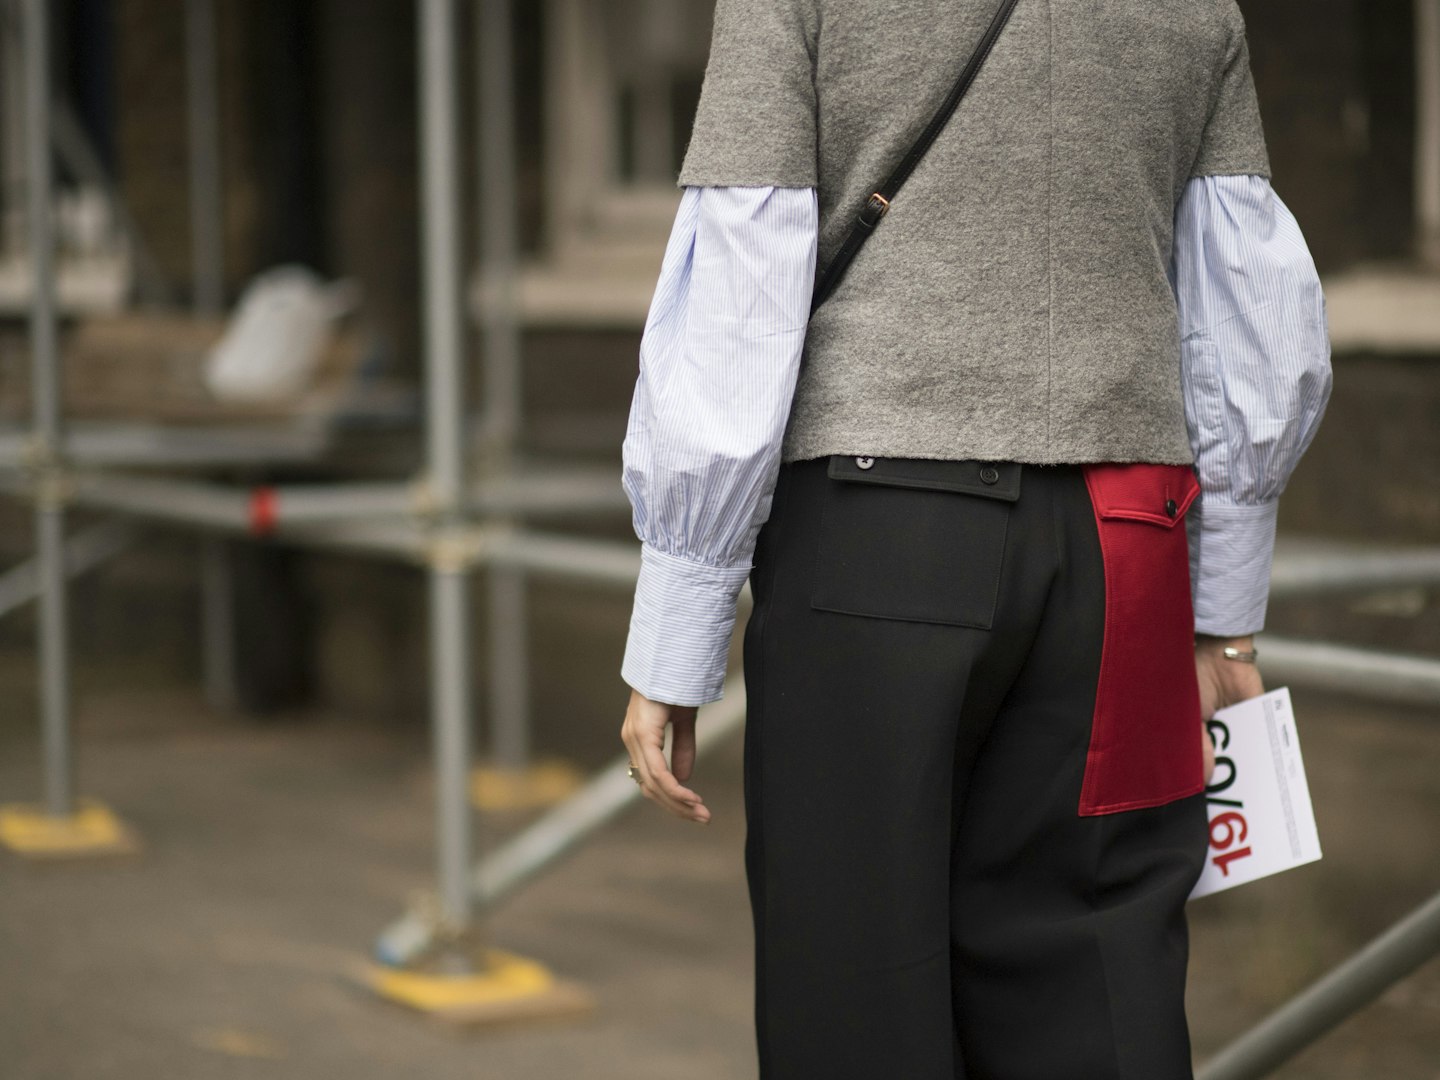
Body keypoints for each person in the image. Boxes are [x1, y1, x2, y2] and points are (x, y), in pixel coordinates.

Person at [617, 1, 1332, 1076]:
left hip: (875, 533)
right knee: (1103, 971)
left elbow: (744, 278)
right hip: (1122, 538)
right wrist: (1224, 616)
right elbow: (1246, 297)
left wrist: (679, 620)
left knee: (859, 989)